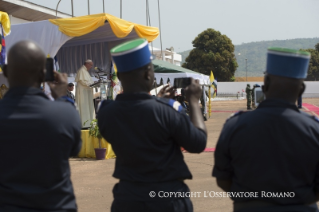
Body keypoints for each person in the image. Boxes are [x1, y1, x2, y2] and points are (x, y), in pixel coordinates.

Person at [97, 38, 207, 212]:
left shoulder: (105, 112)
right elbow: (198, 142)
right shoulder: (169, 110)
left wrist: (158, 103)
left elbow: (136, 116)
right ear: (148, 74)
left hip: (127, 199)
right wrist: (193, 102)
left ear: (119, 76)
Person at [212, 47, 319, 212]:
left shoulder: (235, 125)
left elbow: (223, 179)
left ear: (265, 84)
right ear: (302, 90)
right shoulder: (314, 130)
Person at [0, 40, 82, 211]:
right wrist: (63, 97)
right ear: (43, 75)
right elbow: (74, 149)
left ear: (6, 72)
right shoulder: (64, 114)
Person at [75, 59, 95, 128]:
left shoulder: (85, 71)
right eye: (91, 65)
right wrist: (92, 84)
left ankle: (89, 123)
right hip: (83, 94)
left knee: (88, 108)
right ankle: (84, 124)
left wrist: (94, 84)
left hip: (86, 93)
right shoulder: (82, 71)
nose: (91, 67)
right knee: (84, 108)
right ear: (87, 64)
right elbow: (83, 82)